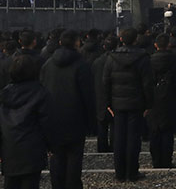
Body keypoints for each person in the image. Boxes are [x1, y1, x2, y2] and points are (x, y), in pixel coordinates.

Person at [39, 30, 96, 189]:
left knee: (56, 157)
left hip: (52, 118)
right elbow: (88, 96)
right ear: (77, 43)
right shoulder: (82, 65)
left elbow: (42, 91)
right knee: (74, 159)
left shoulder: (47, 65)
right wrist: (91, 121)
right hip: (75, 119)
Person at [103, 27, 154, 182]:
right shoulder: (143, 58)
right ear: (135, 40)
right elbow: (147, 83)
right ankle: (132, 172)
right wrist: (148, 104)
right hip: (136, 103)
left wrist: (107, 103)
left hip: (117, 103)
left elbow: (105, 81)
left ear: (121, 40)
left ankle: (119, 173)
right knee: (133, 139)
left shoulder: (111, 58)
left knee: (118, 138)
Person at [0, 55, 57, 189]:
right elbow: (47, 122)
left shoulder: (4, 94)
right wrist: (51, 145)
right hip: (32, 148)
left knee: (10, 183)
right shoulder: (41, 92)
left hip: (9, 146)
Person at [148, 33, 176, 169]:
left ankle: (156, 161)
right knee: (168, 133)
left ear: (156, 45)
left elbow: (146, 82)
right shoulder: (174, 60)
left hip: (153, 100)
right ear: (168, 44)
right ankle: (166, 160)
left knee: (154, 132)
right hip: (170, 99)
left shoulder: (149, 60)